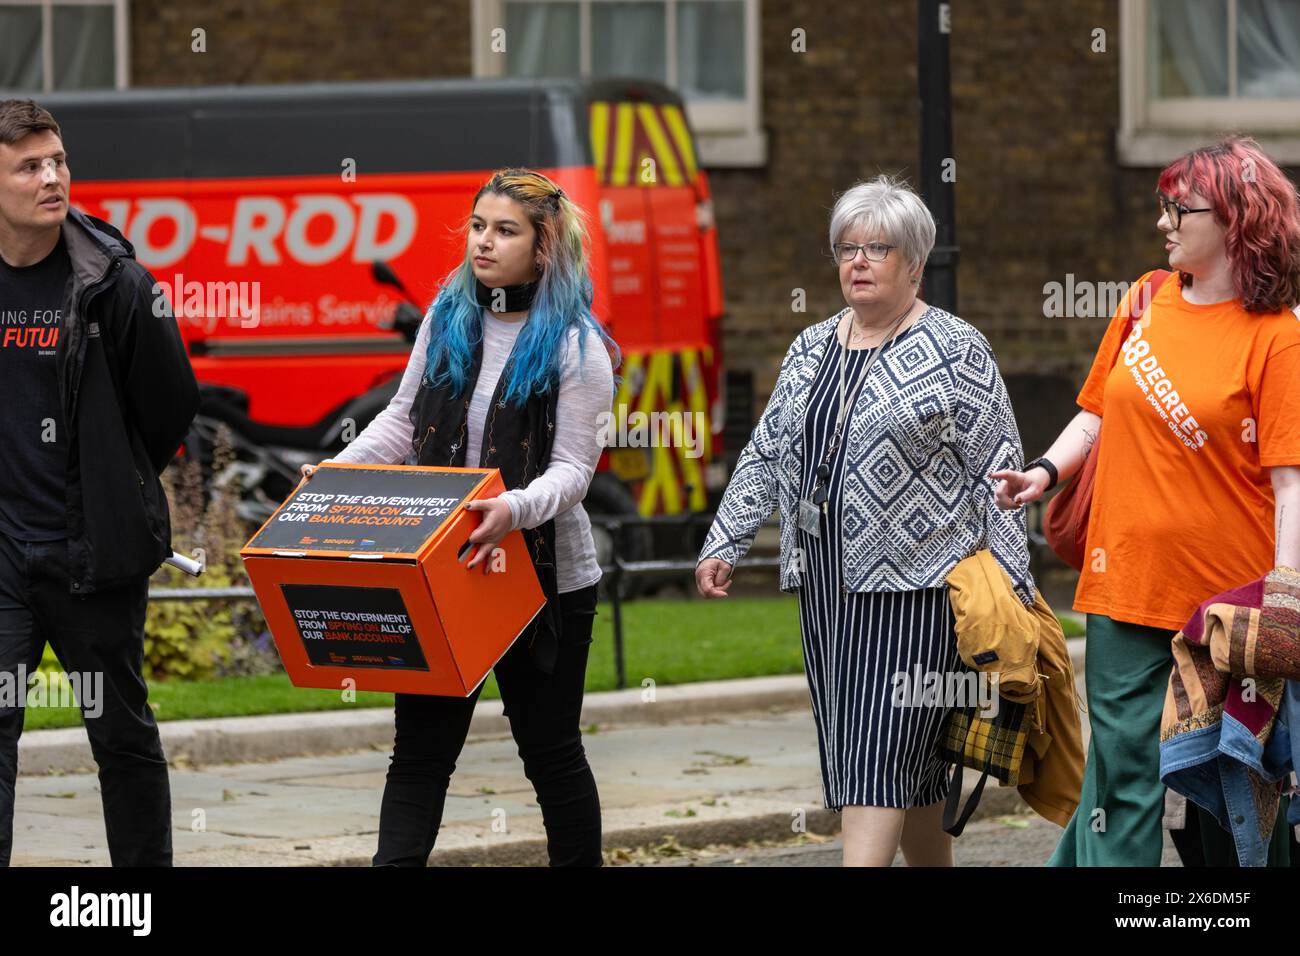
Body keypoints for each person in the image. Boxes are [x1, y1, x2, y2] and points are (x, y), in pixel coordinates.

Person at [696, 174, 1034, 867]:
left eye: (877, 248)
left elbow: (999, 474)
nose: (858, 261)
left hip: (919, 591)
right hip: (826, 590)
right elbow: (767, 448)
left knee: (875, 758)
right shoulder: (811, 348)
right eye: (846, 248)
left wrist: (1016, 596)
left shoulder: (956, 348)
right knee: (897, 765)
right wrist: (726, 538)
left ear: (914, 261)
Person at [995, 136, 1300, 866]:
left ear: (1235, 220)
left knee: (1232, 778)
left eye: (1177, 208)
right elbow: (1094, 415)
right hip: (1125, 582)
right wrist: (1044, 471)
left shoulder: (1277, 337)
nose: (1162, 222)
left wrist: (1287, 592)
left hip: (1231, 604)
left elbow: (1291, 480)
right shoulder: (1143, 301)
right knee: (1123, 775)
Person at [303, 168, 618, 866]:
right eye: (478, 226)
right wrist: (337, 474)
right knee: (418, 754)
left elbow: (573, 474)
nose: (484, 242)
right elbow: (400, 422)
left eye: (505, 230)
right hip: (441, 568)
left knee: (551, 755)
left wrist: (510, 508)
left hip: (543, 582)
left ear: (543, 249)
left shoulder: (577, 347)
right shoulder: (450, 315)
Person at [0, 100, 199, 867]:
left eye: (58, 161)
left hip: (91, 550)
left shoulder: (115, 284)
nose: (52, 178)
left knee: (120, 733)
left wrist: (114, 482)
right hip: (5, 553)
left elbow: (170, 405)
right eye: (29, 166)